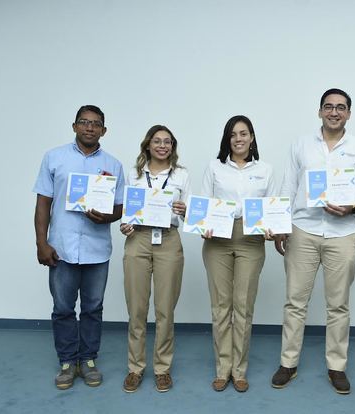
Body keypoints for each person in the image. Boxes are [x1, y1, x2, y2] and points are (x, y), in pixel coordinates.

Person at [271, 88, 355, 394]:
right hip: (303, 230)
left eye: (341, 108)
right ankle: (288, 363)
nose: (334, 112)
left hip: (343, 233)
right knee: (295, 302)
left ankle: (337, 366)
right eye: (329, 107)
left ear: (349, 113)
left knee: (338, 305)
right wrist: (281, 225)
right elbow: (288, 185)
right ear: (319, 111)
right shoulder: (301, 145)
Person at [33, 105, 125, 390]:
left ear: (104, 130)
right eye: (84, 122)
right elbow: (43, 204)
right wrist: (41, 242)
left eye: (96, 124)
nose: (89, 127)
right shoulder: (54, 158)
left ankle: (87, 359)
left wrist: (107, 216)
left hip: (98, 250)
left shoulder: (115, 165)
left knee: (93, 308)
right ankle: (66, 361)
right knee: (62, 308)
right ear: (74, 126)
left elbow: (121, 207)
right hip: (61, 248)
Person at [201, 115, 275, 393]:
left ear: (252, 137)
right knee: (221, 307)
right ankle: (223, 369)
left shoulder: (266, 170)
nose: (239, 139)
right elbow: (205, 203)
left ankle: (239, 371)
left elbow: (271, 206)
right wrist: (203, 226)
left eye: (244, 134)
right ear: (227, 139)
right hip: (217, 239)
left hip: (251, 239)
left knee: (243, 307)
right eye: (233, 135)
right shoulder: (214, 167)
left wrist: (272, 228)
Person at [120, 125, 190, 393]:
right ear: (147, 145)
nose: (162, 146)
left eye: (168, 142)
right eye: (157, 141)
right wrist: (126, 224)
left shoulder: (182, 175)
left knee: (165, 310)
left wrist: (185, 210)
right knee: (136, 309)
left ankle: (162, 369)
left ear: (173, 146)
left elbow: (191, 214)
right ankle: (135, 368)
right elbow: (128, 211)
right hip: (138, 239)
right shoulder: (135, 174)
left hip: (169, 240)